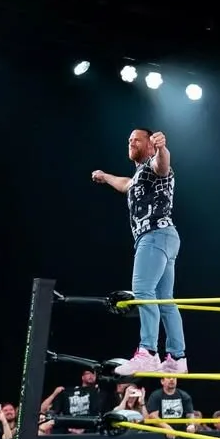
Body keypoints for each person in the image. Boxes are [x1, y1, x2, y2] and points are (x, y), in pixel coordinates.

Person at [92, 129, 187, 376]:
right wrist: (105, 176)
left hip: (154, 234)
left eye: (137, 139)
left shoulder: (154, 166)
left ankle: (148, 352)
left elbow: (163, 165)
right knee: (165, 300)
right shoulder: (138, 176)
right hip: (166, 236)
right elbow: (125, 184)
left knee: (144, 291)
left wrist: (162, 148)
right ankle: (177, 358)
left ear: (149, 145)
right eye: (129, 140)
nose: (131, 142)